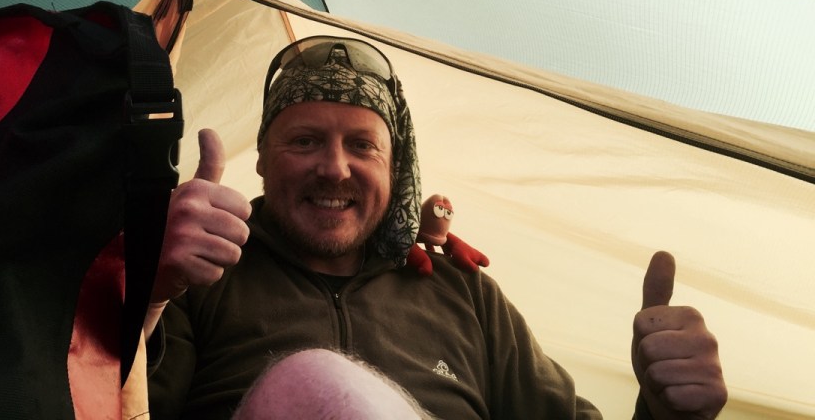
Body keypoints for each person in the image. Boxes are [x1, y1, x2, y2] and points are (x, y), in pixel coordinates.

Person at [143, 35, 727, 419]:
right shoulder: (199, 276)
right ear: (264, 161)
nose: (334, 167)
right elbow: (110, 405)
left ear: (394, 172)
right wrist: (144, 293)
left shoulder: (462, 292)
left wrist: (658, 408)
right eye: (304, 141)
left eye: (362, 146)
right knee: (309, 383)